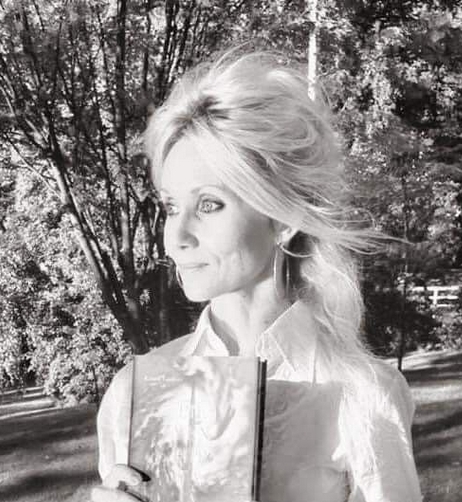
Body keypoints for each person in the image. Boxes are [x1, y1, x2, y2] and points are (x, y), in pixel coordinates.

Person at [90, 50, 423, 502]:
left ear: (282, 218)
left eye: (209, 205)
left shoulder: (362, 395)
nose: (176, 237)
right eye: (170, 207)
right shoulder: (132, 392)